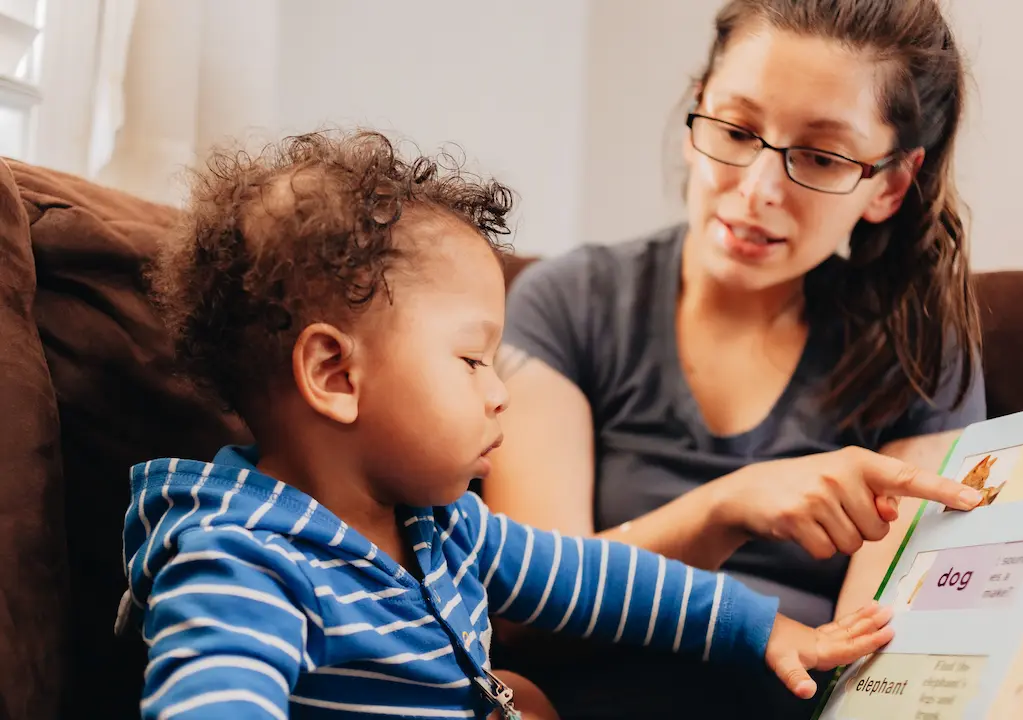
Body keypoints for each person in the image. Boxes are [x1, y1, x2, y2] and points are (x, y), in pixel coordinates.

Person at [111, 130, 945, 720]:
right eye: (472, 361)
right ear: (336, 375)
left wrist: (764, 632)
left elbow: (605, 582)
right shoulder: (243, 561)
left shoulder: (445, 529)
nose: (500, 393)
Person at [487, 0, 987, 716]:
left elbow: (879, 663)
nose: (757, 189)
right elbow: (528, 610)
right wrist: (728, 508)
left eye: (820, 155)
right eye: (735, 130)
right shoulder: (571, 305)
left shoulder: (916, 351)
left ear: (890, 185)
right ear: (698, 116)